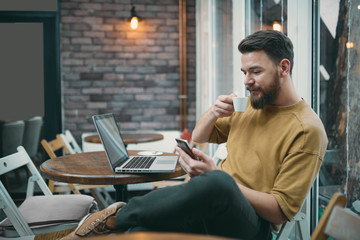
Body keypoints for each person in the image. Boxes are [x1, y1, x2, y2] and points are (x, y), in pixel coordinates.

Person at [62, 30, 328, 240]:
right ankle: (108, 227)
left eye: (255, 72)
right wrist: (214, 112)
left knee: (219, 183)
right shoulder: (251, 104)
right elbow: (201, 136)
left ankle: (114, 215)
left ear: (283, 68)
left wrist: (218, 178)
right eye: (244, 72)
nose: (247, 81)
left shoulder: (307, 129)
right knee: (143, 230)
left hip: (250, 226)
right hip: (208, 201)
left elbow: (280, 212)